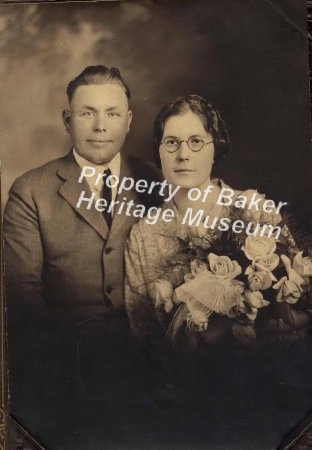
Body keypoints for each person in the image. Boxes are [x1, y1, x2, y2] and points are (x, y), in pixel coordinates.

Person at [3, 65, 161, 431]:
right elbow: (22, 299)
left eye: (112, 113)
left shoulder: (154, 181)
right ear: (67, 119)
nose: (100, 126)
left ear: (128, 121)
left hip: (150, 368)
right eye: (87, 113)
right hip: (67, 376)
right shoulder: (30, 190)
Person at [125, 94, 312, 348]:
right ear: (159, 151)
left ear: (217, 148)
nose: (183, 155)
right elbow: (143, 334)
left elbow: (301, 309)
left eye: (196, 142)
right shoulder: (143, 235)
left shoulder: (254, 209)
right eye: (171, 142)